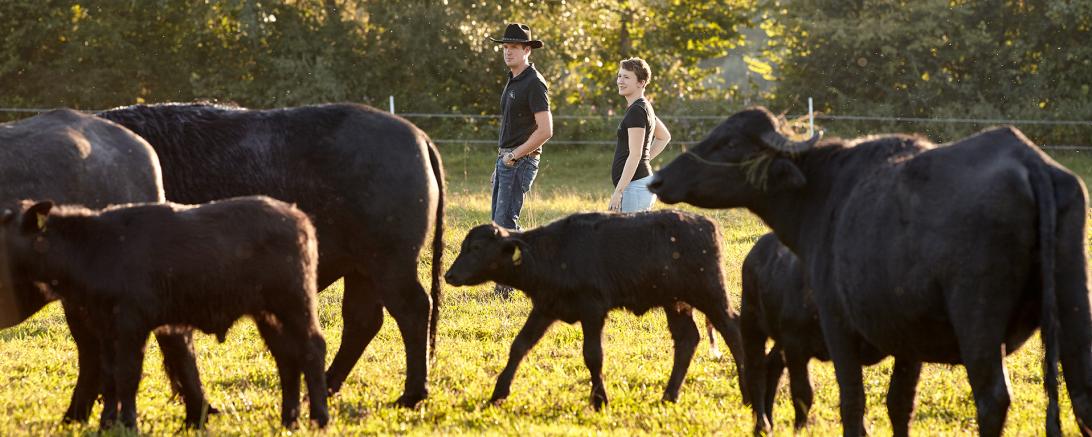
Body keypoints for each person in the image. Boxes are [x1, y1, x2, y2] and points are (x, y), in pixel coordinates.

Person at [489, 23, 553, 297]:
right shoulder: (514, 79)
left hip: (520, 160)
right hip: (506, 159)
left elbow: (546, 130)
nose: (508, 52)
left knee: (506, 223)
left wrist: (514, 157)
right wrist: (500, 161)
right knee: (499, 221)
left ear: (528, 50)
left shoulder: (534, 83)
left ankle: (508, 287)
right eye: (505, 47)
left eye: (514, 47)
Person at [609, 57, 671, 213]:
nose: (620, 81)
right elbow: (664, 137)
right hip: (637, 187)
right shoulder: (642, 106)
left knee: (628, 237)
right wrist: (645, 159)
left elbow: (635, 155)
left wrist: (618, 192)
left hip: (635, 189)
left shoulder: (637, 110)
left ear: (641, 83)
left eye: (626, 77)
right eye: (619, 76)